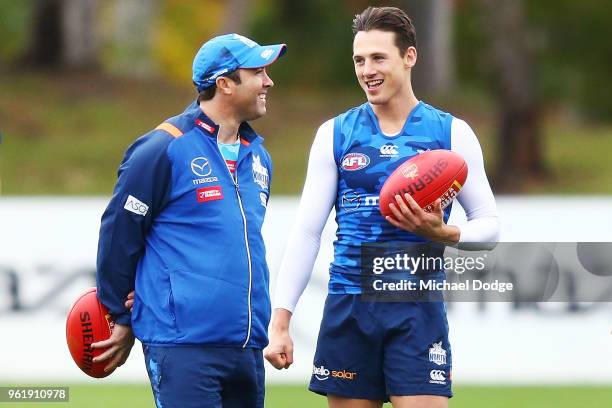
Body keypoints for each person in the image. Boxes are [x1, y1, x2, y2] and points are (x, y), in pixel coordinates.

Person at [264, 6, 499, 408]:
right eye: (359, 60)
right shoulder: (335, 134)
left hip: (416, 309)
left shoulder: (450, 132)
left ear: (409, 57)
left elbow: (489, 226)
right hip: (350, 305)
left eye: (378, 58)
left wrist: (445, 233)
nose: (366, 69)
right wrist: (281, 319)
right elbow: (307, 232)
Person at [91, 33, 286, 408]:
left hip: (246, 346)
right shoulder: (162, 148)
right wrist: (119, 313)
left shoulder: (260, 157)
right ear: (225, 83)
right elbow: (119, 232)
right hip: (184, 347)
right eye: (258, 72)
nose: (268, 81)